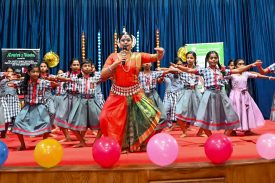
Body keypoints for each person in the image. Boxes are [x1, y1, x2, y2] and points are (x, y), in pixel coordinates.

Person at [99, 31, 165, 152]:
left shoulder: (138, 56)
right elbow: (102, 75)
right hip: (117, 94)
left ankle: (142, 142)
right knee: (105, 118)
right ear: (119, 43)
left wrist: (161, 53)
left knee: (149, 115)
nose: (125, 42)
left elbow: (155, 57)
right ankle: (119, 145)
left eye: (128, 40)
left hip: (136, 93)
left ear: (132, 43)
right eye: (123, 40)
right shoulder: (113, 56)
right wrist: (115, 64)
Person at [171, 51, 260, 136]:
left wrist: (251, 65)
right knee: (202, 119)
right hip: (208, 94)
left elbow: (238, 71)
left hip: (221, 94)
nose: (213, 59)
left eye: (215, 58)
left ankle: (224, 137)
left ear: (218, 59)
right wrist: (177, 67)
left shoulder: (222, 71)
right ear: (207, 60)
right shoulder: (204, 70)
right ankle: (210, 137)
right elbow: (188, 70)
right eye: (211, 58)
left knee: (232, 117)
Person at [12, 64, 58, 150]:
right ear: (29, 73)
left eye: (37, 72)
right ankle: (22, 145)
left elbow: (55, 84)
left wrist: (54, 83)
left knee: (47, 123)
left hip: (40, 107)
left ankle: (44, 143)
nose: (35, 74)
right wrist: (12, 82)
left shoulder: (43, 82)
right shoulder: (25, 82)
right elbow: (13, 83)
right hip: (28, 107)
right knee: (17, 122)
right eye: (33, 72)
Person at [229, 59, 272, 135]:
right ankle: (233, 130)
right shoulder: (232, 74)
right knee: (236, 111)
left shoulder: (246, 73)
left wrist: (269, 78)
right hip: (235, 95)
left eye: (243, 63)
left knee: (247, 111)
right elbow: (221, 77)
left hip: (245, 95)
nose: (242, 65)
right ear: (236, 65)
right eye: (240, 64)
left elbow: (257, 75)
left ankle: (247, 129)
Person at [174, 51, 204, 137]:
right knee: (178, 113)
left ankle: (200, 132)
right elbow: (172, 70)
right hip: (185, 92)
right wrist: (163, 69)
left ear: (195, 59)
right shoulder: (182, 68)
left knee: (203, 113)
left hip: (196, 92)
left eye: (191, 58)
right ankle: (184, 132)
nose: (189, 60)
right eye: (188, 58)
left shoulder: (198, 69)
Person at [54, 59, 81, 141]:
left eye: (77, 65)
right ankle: (67, 137)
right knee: (60, 117)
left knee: (78, 118)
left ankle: (80, 138)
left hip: (78, 97)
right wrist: (64, 79)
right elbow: (56, 77)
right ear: (70, 66)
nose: (76, 66)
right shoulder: (66, 74)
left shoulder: (82, 75)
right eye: (74, 65)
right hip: (67, 97)